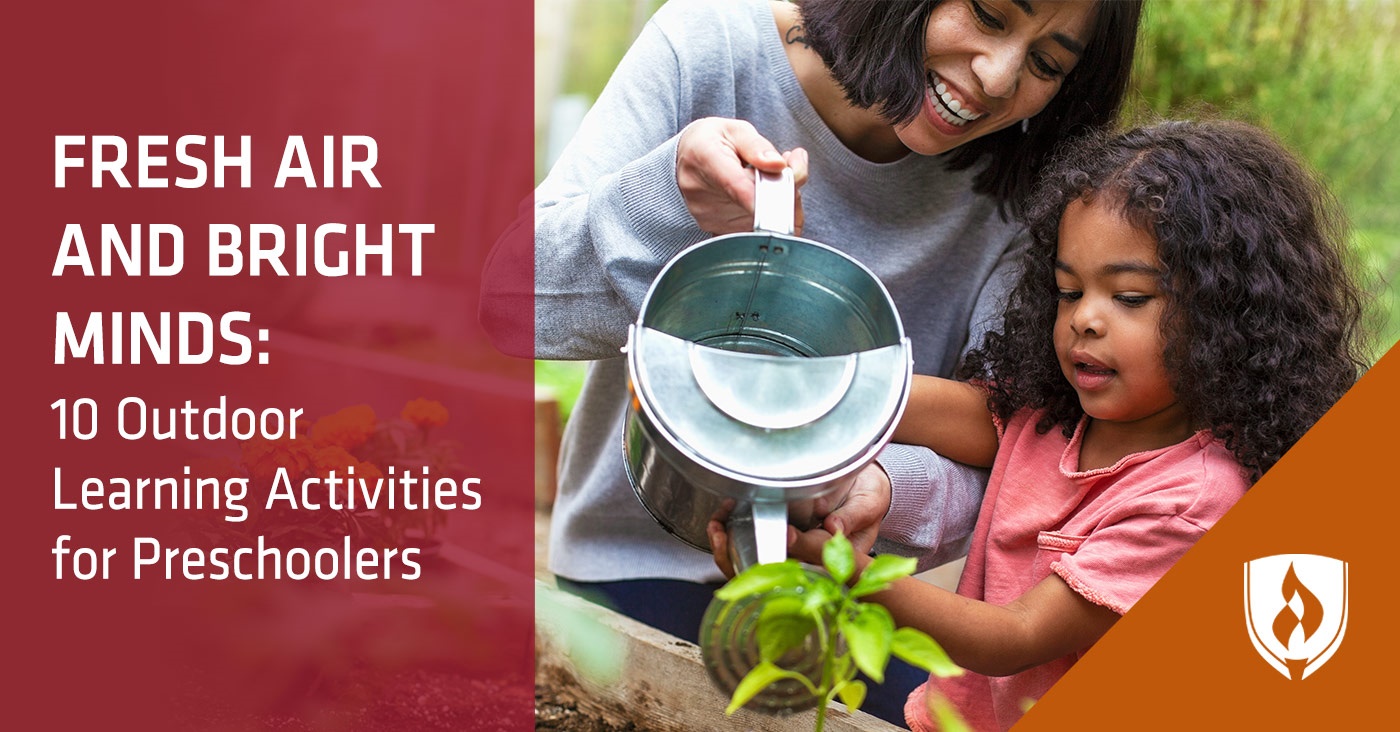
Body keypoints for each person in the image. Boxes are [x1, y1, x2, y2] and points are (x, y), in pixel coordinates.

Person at [481, 0, 1141, 722]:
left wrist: (880, 485)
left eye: (1047, 63)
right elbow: (514, 305)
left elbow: (1014, 453)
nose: (996, 75)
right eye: (987, 14)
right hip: (638, 560)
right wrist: (670, 196)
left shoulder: (1022, 197)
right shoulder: (713, 46)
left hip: (848, 598)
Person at [713, 119, 1371, 730]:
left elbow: (1016, 636)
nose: (1085, 317)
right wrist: (828, 391)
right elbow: (967, 415)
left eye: (1130, 298)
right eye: (1069, 291)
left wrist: (850, 580)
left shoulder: (1193, 501)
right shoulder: (1060, 414)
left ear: (1226, 316)